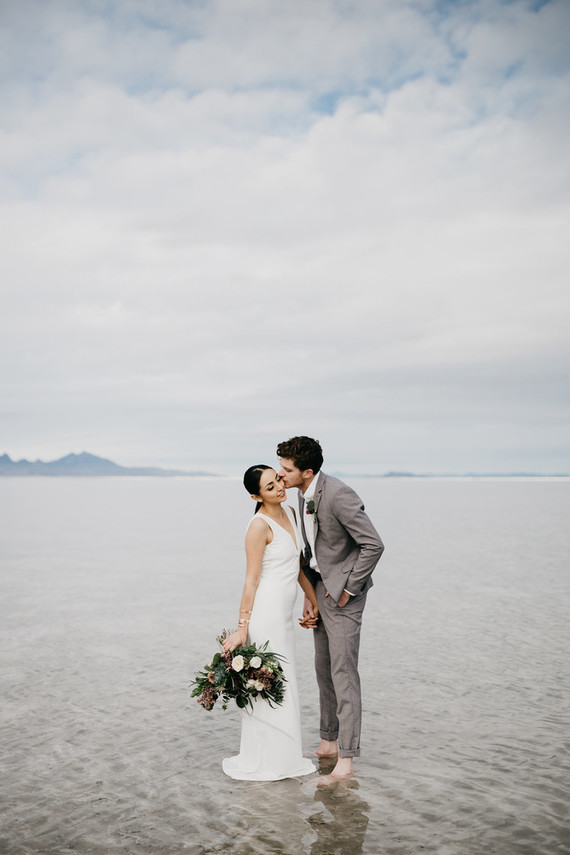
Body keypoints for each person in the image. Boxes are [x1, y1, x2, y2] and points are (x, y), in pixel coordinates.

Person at [277, 436, 384, 781]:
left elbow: (373, 545)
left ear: (307, 472)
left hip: (345, 596)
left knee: (344, 673)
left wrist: (348, 591)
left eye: (286, 469)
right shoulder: (302, 493)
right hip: (322, 588)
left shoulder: (338, 494)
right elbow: (313, 550)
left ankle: (348, 760)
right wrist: (311, 595)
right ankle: (328, 743)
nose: (281, 475)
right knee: (323, 668)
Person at [221, 465, 317, 781]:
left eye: (277, 479)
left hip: (284, 614)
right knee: (272, 681)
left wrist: (312, 597)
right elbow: (251, 581)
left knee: (285, 680)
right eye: (269, 485)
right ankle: (268, 759)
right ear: (255, 495)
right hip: (265, 614)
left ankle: (285, 756)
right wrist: (242, 628)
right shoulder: (257, 526)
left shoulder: (289, 510)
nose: (278, 486)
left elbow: (298, 565)